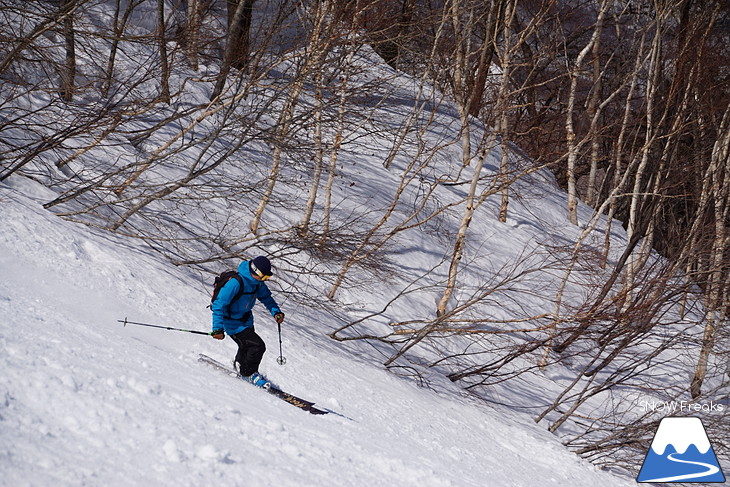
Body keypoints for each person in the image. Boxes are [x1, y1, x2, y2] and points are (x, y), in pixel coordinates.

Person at [211, 256, 284, 388]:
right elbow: (218, 305)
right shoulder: (235, 283)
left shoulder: (257, 283)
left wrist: (276, 312)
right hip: (232, 323)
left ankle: (239, 366)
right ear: (256, 272)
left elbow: (266, 298)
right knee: (257, 346)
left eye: (267, 278)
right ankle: (248, 374)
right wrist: (217, 329)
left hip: (246, 320)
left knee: (246, 346)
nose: (265, 280)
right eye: (264, 277)